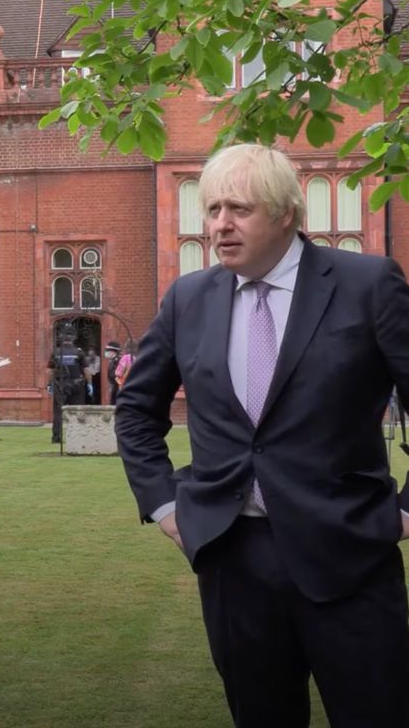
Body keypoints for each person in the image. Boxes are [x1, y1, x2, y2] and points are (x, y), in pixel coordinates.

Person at [115, 143, 409, 728]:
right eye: (213, 207)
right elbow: (136, 411)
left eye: (240, 209)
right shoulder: (188, 298)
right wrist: (166, 505)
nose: (220, 225)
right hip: (234, 561)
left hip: (348, 553)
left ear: (286, 214)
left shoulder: (367, 284)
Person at [48, 336, 84, 443]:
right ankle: (77, 436)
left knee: (58, 412)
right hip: (76, 385)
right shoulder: (79, 353)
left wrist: (49, 384)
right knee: (76, 410)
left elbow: (50, 371)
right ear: (73, 339)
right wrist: (89, 384)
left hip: (60, 385)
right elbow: (86, 370)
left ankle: (57, 437)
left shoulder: (56, 352)